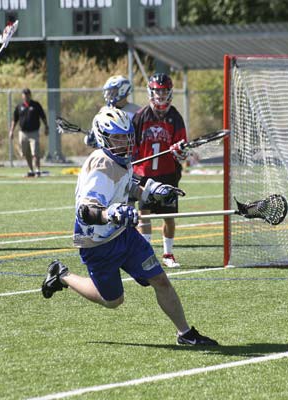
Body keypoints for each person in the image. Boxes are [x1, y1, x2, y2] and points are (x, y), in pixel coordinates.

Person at [41, 106, 218, 346]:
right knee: (113, 301)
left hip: (124, 235)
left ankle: (185, 334)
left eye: (127, 137)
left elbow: (128, 187)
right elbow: (86, 211)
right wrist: (110, 214)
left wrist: (152, 193)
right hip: (98, 242)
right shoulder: (101, 166)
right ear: (104, 137)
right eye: (117, 137)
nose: (124, 142)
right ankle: (62, 275)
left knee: (160, 280)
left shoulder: (122, 160)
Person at [132, 73, 190, 269]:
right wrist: (133, 160)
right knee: (144, 215)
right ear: (151, 91)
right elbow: (132, 145)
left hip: (168, 173)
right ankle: (146, 254)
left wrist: (179, 151)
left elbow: (183, 151)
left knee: (169, 217)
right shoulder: (141, 116)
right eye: (157, 91)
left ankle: (168, 253)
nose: (161, 95)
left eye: (164, 91)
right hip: (145, 174)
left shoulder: (175, 118)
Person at [85, 75, 141, 148]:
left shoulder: (136, 111)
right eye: (108, 92)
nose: (109, 94)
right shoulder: (104, 110)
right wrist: (92, 137)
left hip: (128, 150)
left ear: (123, 90)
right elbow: (94, 134)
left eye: (112, 91)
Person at [9, 88, 49, 177]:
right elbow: (14, 120)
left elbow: (43, 116)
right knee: (26, 153)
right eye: (24, 94)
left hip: (34, 132)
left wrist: (46, 126)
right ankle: (31, 170)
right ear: (22, 96)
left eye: (27, 94)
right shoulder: (19, 106)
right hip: (23, 133)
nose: (26, 96)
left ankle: (37, 170)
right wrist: (11, 131)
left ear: (30, 95)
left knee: (35, 152)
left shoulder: (36, 105)